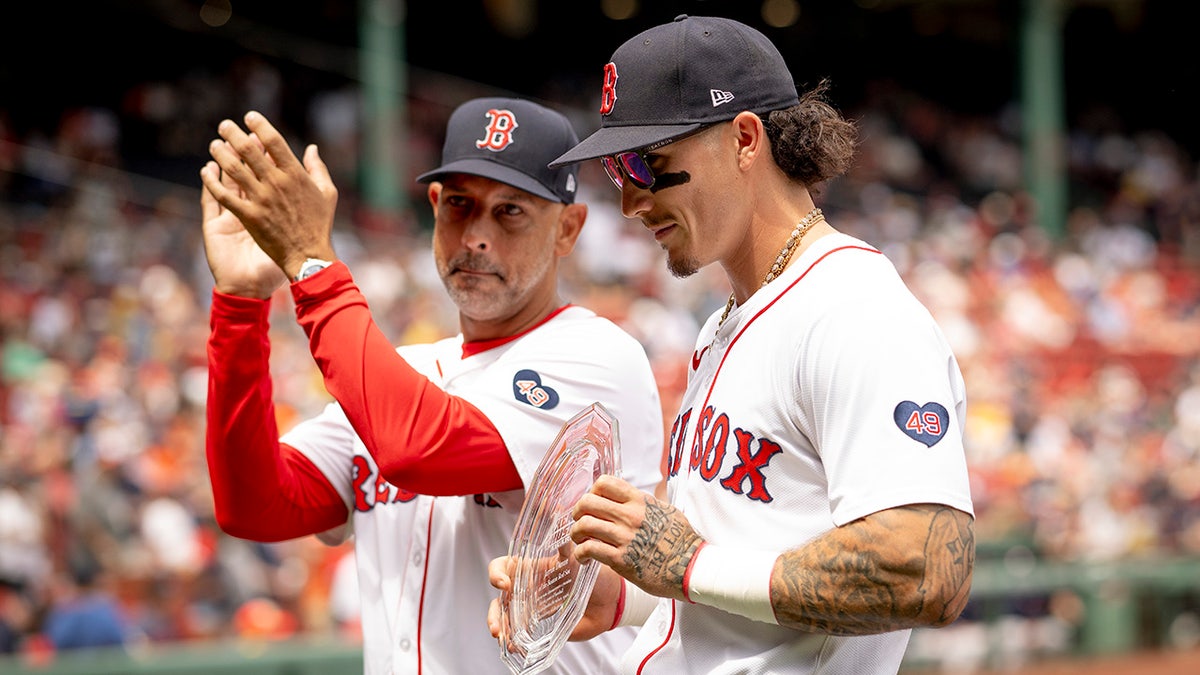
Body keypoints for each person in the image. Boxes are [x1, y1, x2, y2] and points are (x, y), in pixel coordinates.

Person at [488, 15, 975, 674]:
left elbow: (927, 568)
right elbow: (733, 572)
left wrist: (689, 564)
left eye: (647, 163)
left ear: (745, 139)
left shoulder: (853, 309)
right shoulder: (729, 322)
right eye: (615, 168)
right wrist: (627, 595)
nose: (631, 200)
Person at [198, 96, 665, 674]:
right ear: (435, 208)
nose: (476, 236)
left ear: (567, 228)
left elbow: (417, 450)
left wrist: (313, 265)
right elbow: (255, 506)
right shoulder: (401, 374)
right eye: (460, 206)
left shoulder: (598, 355)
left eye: (510, 211)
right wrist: (240, 306)